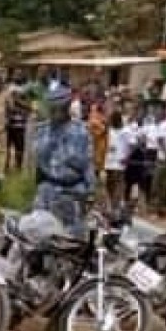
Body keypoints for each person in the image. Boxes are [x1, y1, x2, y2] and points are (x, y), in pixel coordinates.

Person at [33, 86, 96, 235]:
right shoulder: (42, 131)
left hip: (72, 193)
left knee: (69, 238)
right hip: (47, 191)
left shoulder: (81, 131)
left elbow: (87, 164)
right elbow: (39, 162)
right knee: (39, 235)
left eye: (59, 108)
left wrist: (91, 191)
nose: (54, 112)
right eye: (52, 108)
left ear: (67, 107)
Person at [103, 111, 130, 208]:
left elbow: (130, 146)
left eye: (114, 120)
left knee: (118, 182)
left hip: (120, 161)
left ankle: (117, 203)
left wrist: (127, 157)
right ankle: (110, 202)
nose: (112, 122)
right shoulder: (109, 130)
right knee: (109, 182)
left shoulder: (126, 131)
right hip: (109, 160)